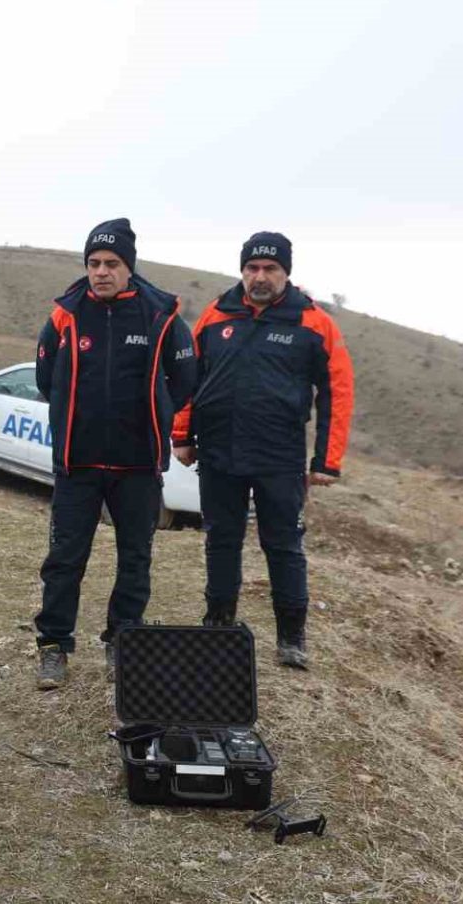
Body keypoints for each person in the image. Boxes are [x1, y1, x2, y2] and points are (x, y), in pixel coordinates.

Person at [171, 232, 354, 669]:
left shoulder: (313, 323)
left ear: (286, 273)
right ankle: (219, 624)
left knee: (284, 545)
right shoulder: (216, 314)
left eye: (270, 269)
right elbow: (190, 378)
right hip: (219, 451)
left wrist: (326, 461)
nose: (260, 276)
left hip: (280, 457)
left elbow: (338, 390)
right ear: (242, 271)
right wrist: (182, 435)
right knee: (221, 540)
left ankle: (291, 638)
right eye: (252, 268)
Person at [32, 218, 198, 688]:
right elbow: (47, 379)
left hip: (137, 465)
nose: (101, 271)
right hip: (77, 462)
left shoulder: (160, 315)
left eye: (111, 263)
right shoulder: (65, 314)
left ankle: (122, 643)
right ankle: (53, 646)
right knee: (64, 559)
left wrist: (156, 412)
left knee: (135, 559)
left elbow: (185, 381)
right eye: (93, 263)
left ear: (129, 267)